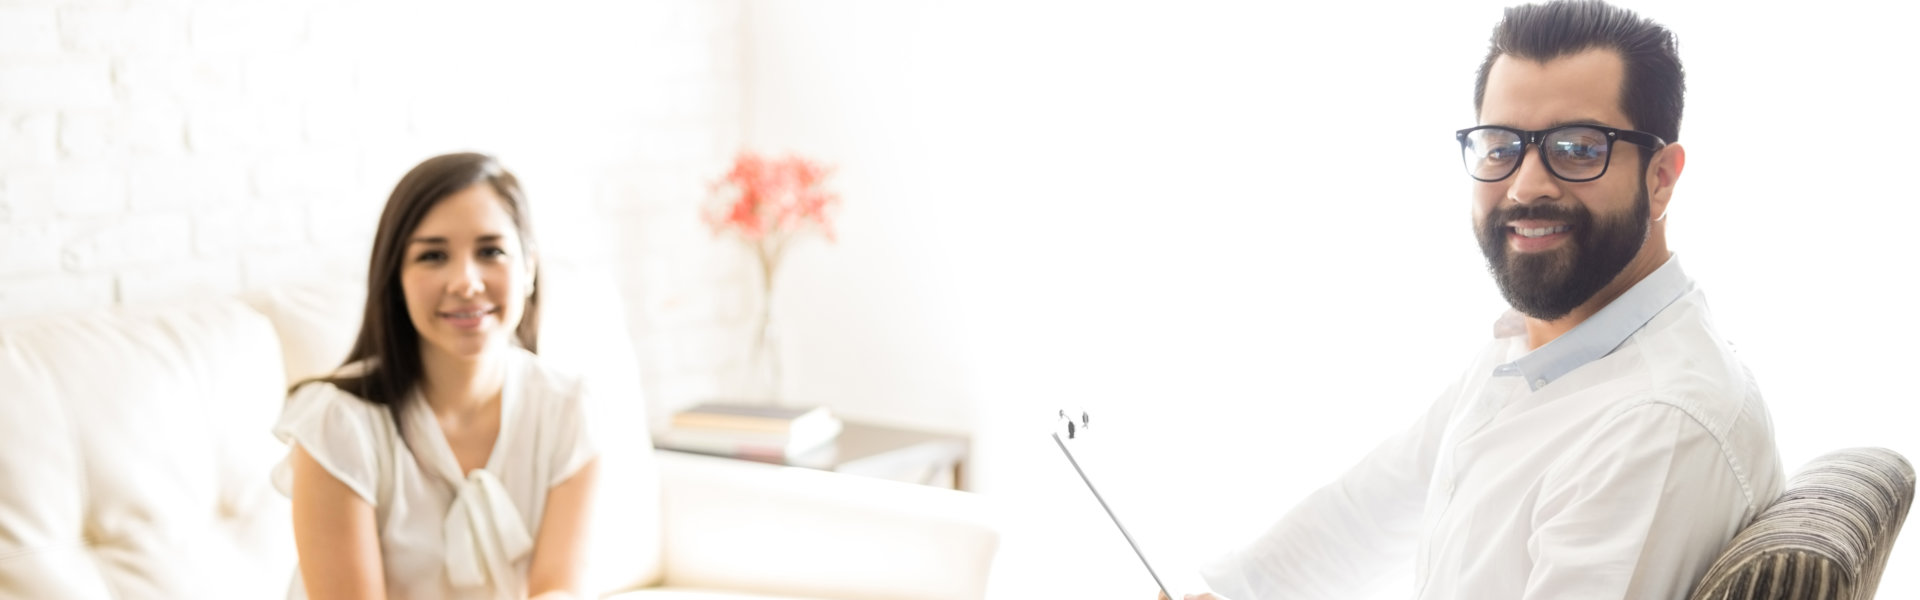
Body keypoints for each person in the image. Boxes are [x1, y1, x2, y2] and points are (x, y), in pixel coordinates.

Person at [1178, 2, 1784, 598]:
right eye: (1501, 146)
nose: (1524, 186)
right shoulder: (1540, 341)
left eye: (1576, 148)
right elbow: (1371, 510)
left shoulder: (1657, 425)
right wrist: (1229, 592)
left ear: (1661, 178)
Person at [272, 152, 599, 600]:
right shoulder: (337, 424)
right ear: (396, 281)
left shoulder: (567, 407)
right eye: (433, 256)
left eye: (490, 251)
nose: (465, 282)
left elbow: (558, 588)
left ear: (529, 268)